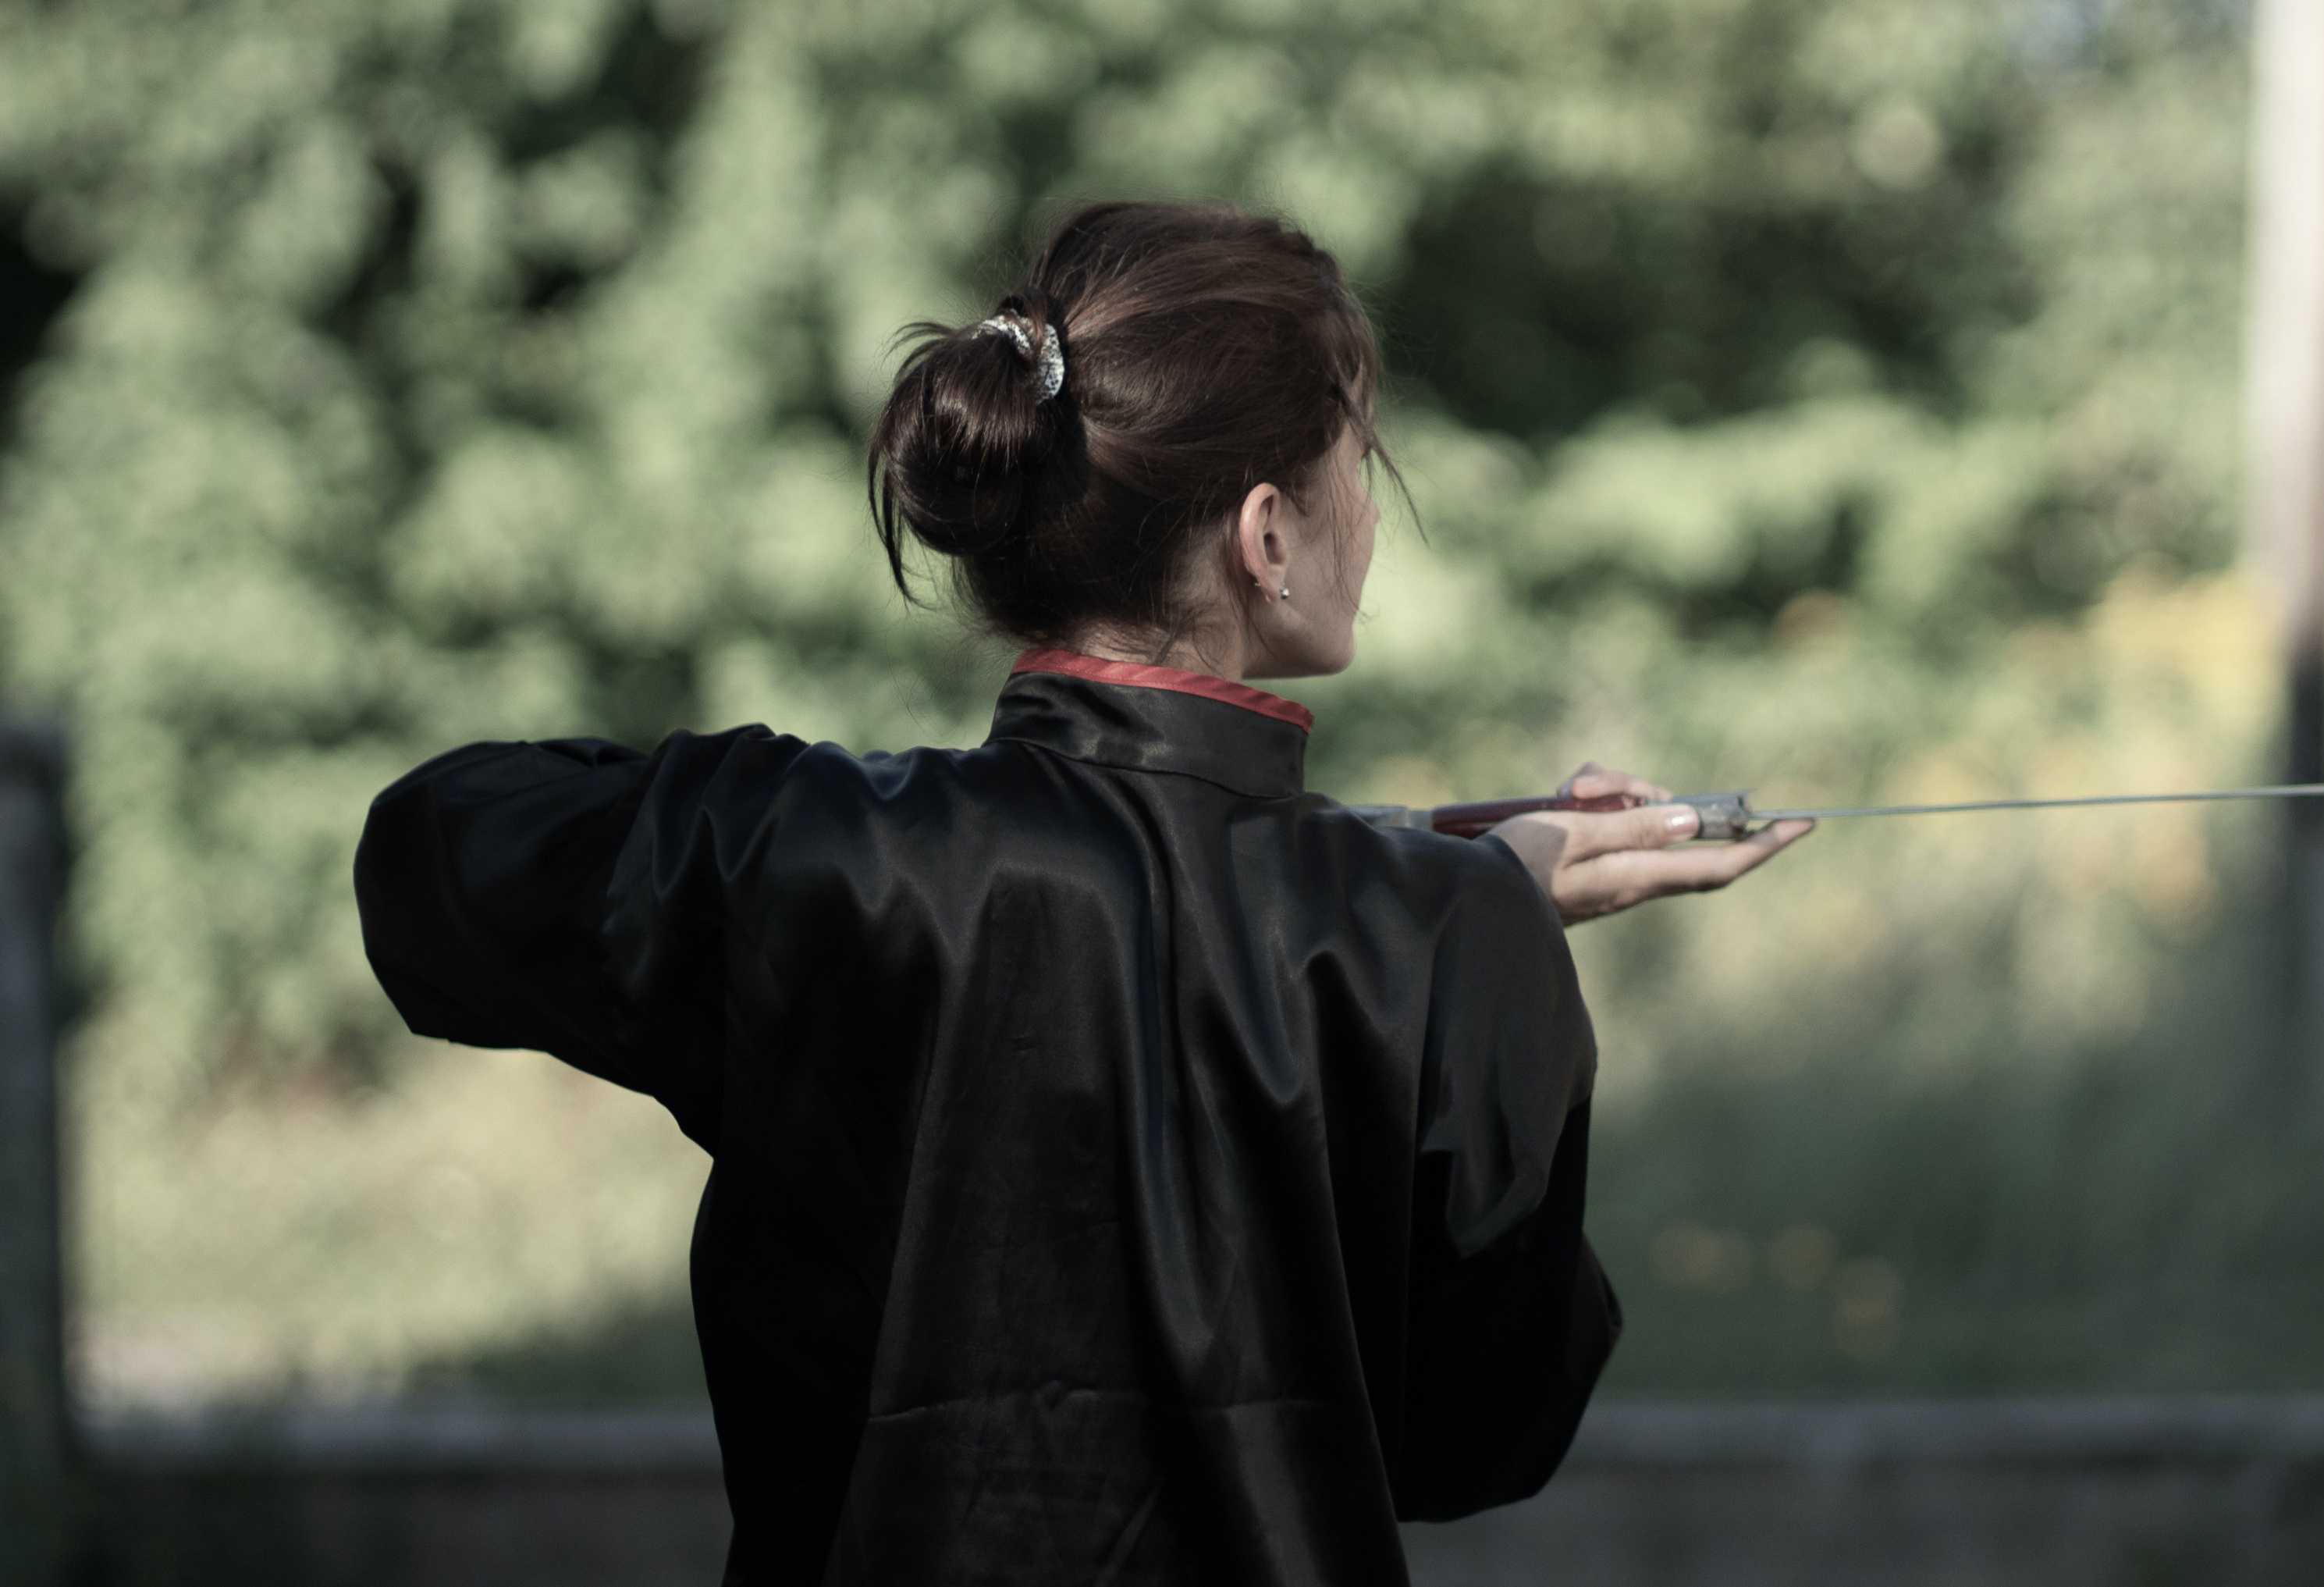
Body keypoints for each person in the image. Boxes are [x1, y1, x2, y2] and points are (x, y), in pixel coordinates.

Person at [351, 199, 1813, 1583]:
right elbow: (1476, 1439)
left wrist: (1418, 864)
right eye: (1359, 463)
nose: (1371, 514)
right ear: (1265, 535)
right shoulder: (1440, 931)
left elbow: (430, 856)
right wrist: (1443, 902)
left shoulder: (827, 853)